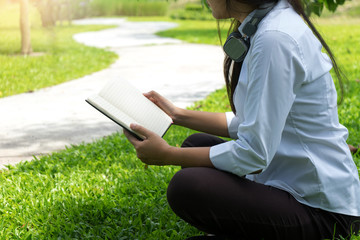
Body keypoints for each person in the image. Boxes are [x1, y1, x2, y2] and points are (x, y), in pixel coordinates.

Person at [124, 0, 360, 239]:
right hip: (282, 179)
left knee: (186, 186)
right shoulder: (268, 23)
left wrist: (167, 155)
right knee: (195, 145)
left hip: (323, 213)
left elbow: (253, 153)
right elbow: (252, 122)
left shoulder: (274, 39)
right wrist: (177, 115)